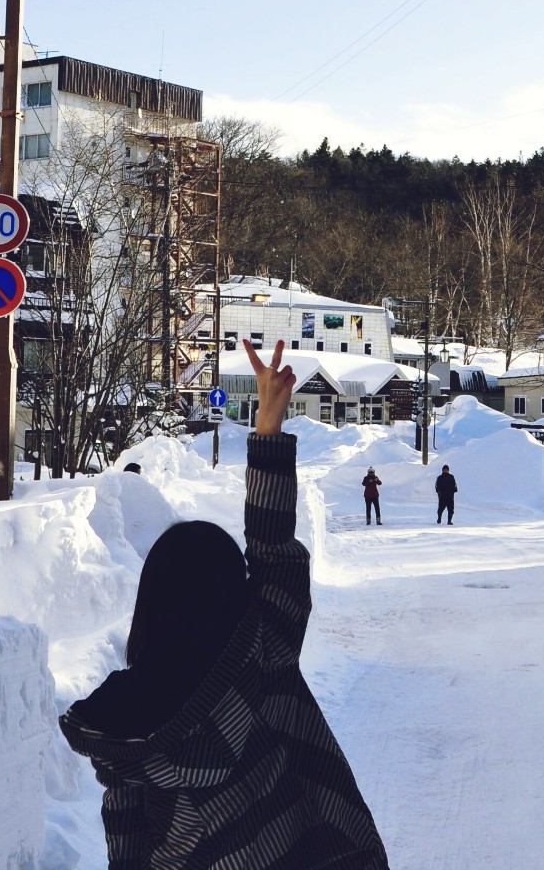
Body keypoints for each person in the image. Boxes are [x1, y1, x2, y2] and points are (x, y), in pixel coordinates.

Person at [60, 340, 389, 869]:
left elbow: (128, 852)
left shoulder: (126, 732)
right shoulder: (263, 657)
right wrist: (268, 431)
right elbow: (275, 553)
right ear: (233, 594)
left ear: (152, 604)